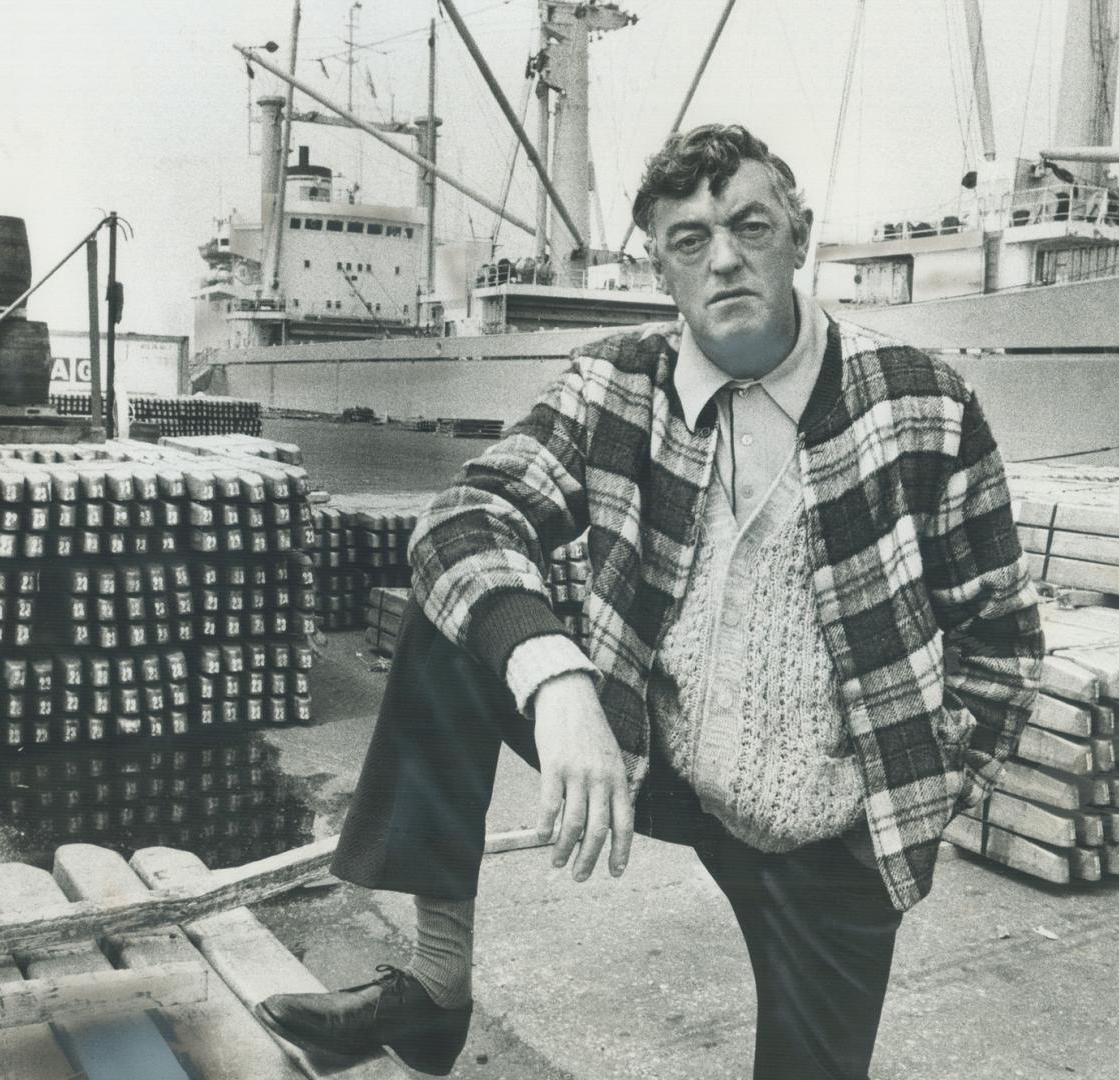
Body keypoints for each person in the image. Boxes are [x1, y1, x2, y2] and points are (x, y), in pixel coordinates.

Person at [255, 123, 1044, 1078]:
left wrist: (904, 801)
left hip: (827, 834)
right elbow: (466, 516)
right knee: (455, 609)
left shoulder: (923, 404)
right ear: (660, 269)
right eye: (689, 241)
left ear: (799, 234)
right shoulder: (616, 384)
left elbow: (999, 643)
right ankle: (434, 983)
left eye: (750, 226)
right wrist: (559, 681)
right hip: (664, 759)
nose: (724, 260)